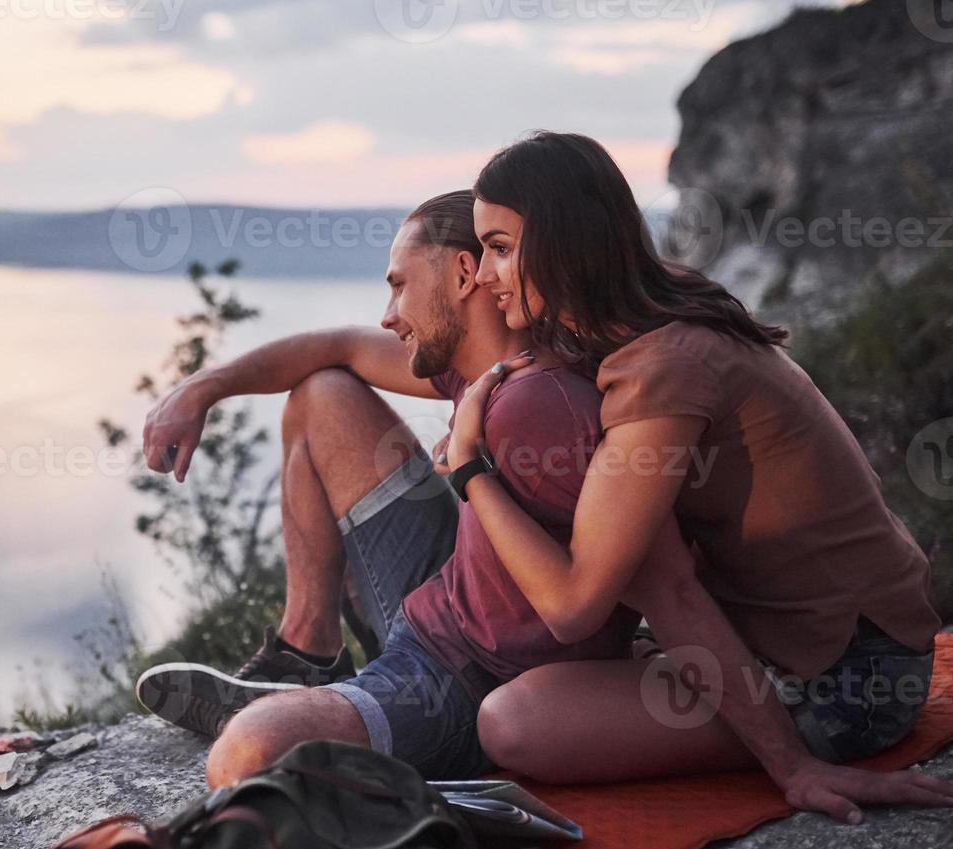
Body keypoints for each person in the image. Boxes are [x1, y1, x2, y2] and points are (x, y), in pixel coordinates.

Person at [446, 131, 953, 823]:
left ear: (565, 243)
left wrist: (468, 467)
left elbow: (576, 605)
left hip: (855, 678)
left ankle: (781, 735)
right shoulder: (656, 305)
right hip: (822, 642)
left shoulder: (662, 369)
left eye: (501, 249)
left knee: (515, 721)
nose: (483, 275)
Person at [134, 190, 639, 785]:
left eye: (400, 285)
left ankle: (335, 711)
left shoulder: (533, 403)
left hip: (458, 680)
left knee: (250, 751)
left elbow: (583, 602)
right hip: (443, 605)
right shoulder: (484, 370)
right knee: (322, 391)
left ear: (462, 273)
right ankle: (306, 657)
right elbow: (338, 346)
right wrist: (202, 389)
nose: (389, 313)